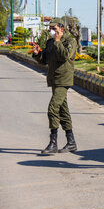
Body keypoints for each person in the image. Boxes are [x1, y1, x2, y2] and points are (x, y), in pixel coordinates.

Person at [32, 18, 78, 154]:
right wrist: (37, 54)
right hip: (54, 79)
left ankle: (53, 142)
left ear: (61, 28)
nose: (52, 31)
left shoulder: (70, 41)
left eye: (55, 29)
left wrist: (58, 41)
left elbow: (64, 56)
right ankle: (71, 142)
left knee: (53, 108)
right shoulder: (50, 42)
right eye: (51, 29)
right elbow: (44, 60)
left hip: (63, 80)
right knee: (63, 111)